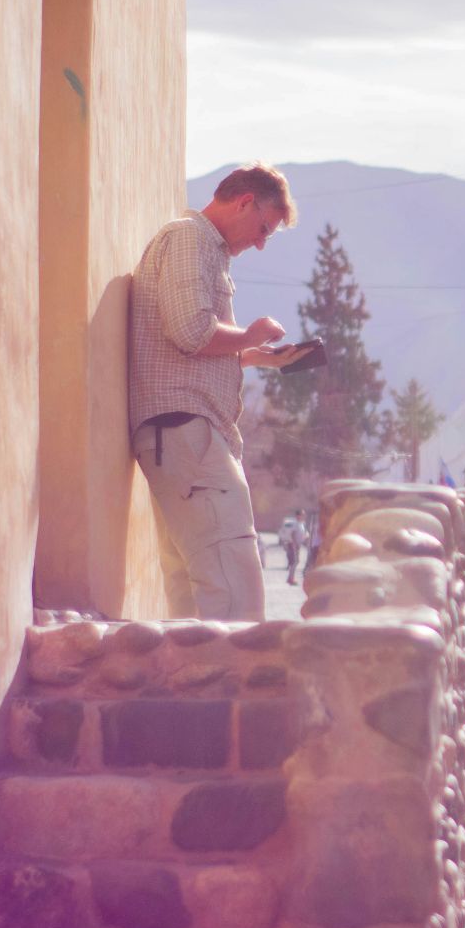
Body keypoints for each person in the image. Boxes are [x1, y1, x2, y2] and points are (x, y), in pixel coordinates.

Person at [129, 163, 304, 620]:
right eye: (264, 228)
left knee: (193, 590)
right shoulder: (191, 238)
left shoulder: (199, 245)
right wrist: (249, 334)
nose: (261, 243)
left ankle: (198, 668)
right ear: (245, 201)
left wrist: (253, 356)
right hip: (188, 432)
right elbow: (190, 330)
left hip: (177, 435)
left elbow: (184, 346)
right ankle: (233, 669)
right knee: (233, 580)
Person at [279, 510, 307, 586]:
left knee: (295, 561)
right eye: (302, 515)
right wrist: (294, 545)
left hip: (297, 545)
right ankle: (291, 579)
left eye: (304, 515)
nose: (304, 516)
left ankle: (290, 578)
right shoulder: (296, 524)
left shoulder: (300, 524)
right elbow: (293, 534)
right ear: (298, 515)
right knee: (295, 561)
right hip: (293, 545)